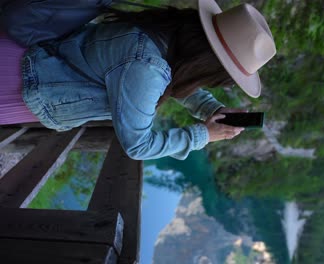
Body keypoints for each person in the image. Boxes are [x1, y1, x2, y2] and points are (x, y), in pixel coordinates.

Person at [0, 0, 276, 160]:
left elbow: (175, 74)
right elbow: (138, 145)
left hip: (26, 58)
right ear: (207, 66)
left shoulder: (162, 33)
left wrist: (211, 110)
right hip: (19, 87)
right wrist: (203, 135)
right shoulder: (146, 69)